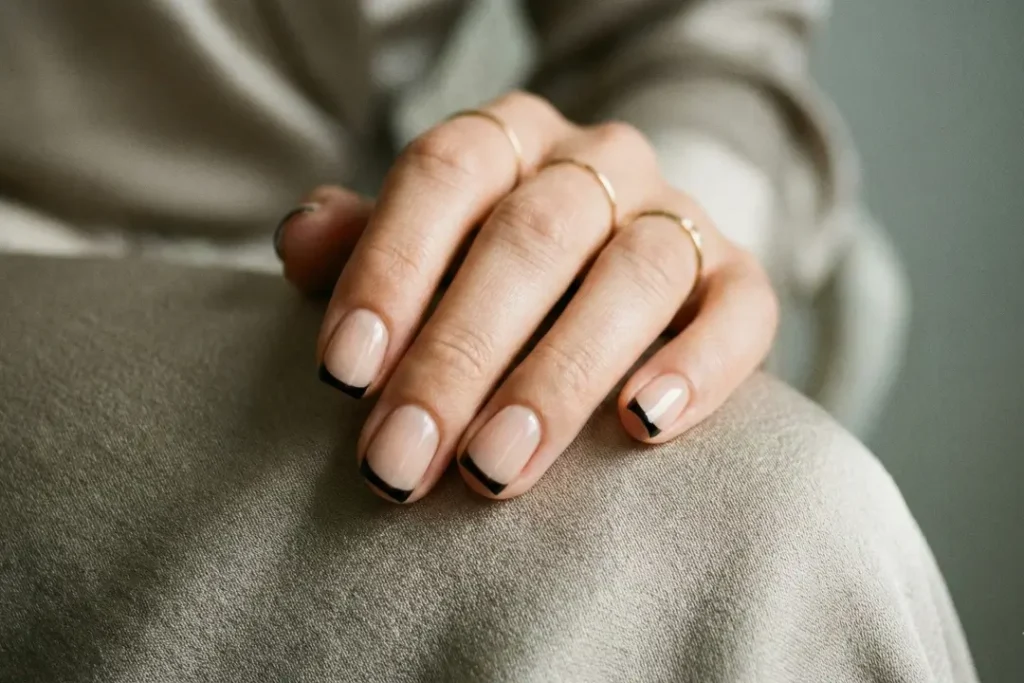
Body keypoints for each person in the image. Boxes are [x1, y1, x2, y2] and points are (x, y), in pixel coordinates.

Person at [0, 1, 976, 680]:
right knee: (759, 540)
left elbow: (699, 48)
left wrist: (627, 247)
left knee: (780, 502)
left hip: (332, 271)